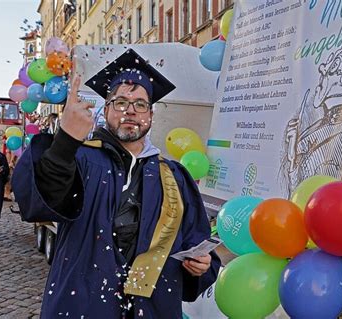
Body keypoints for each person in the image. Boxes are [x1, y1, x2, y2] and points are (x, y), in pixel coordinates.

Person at [13, 49, 221, 318]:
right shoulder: (79, 159)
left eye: (140, 104)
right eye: (120, 102)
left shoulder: (173, 177)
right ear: (106, 109)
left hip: (152, 308)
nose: (130, 111)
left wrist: (203, 265)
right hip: (84, 305)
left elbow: (196, 242)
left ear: (151, 114)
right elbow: (40, 200)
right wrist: (65, 140)